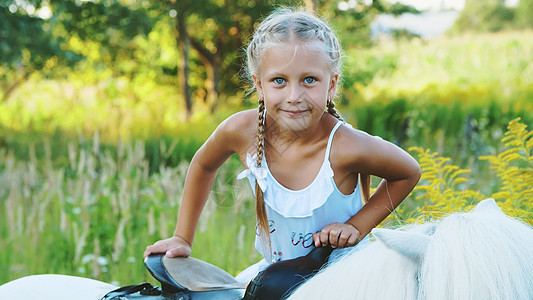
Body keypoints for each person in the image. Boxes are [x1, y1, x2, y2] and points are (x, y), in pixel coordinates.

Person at [144, 8, 421, 283]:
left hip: (346, 279)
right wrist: (182, 237)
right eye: (279, 81)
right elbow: (203, 165)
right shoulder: (240, 130)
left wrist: (356, 227)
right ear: (259, 85)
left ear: (332, 84)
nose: (294, 96)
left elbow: (408, 172)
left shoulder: (346, 146)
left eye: (309, 80)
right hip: (278, 277)